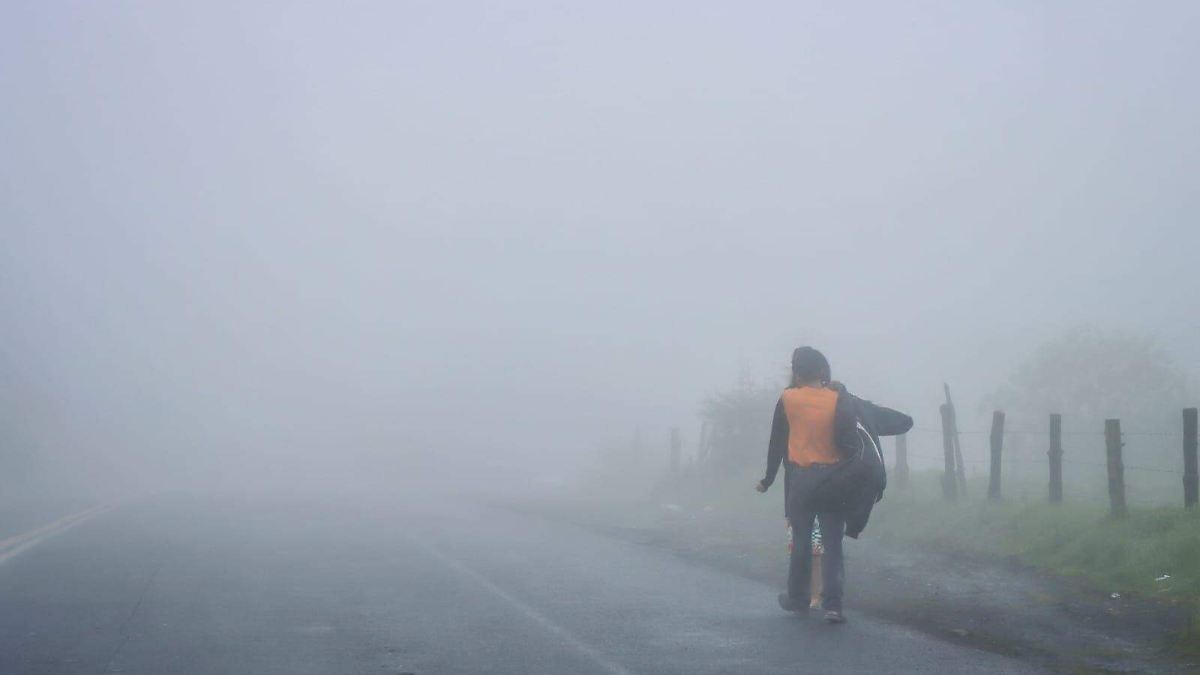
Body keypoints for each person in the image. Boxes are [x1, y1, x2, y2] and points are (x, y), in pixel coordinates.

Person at [755, 346, 911, 624]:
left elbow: (777, 442)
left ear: (797, 372)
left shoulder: (789, 398)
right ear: (823, 371)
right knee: (833, 545)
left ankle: (798, 598)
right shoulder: (841, 399)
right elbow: (899, 422)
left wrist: (768, 479)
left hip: (802, 481)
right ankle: (833, 606)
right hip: (836, 480)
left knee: (802, 542)